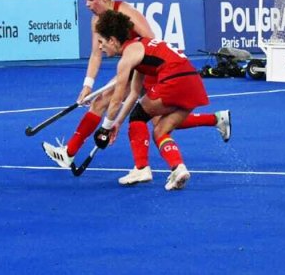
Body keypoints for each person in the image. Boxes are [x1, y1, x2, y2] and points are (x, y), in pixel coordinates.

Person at [41, 0, 230, 184]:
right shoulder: (97, 21)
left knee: (144, 117)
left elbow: (150, 41)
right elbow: (96, 54)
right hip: (154, 68)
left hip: (153, 68)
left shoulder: (126, 13)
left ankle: (140, 166)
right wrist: (88, 85)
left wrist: (108, 122)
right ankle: (207, 129)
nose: (87, 5)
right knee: (152, 120)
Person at [92, 10, 223, 191]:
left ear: (113, 40)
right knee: (160, 131)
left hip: (175, 79)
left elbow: (116, 100)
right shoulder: (140, 47)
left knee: (138, 115)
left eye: (102, 42)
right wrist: (117, 124)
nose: (100, 47)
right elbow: (133, 94)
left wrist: (105, 128)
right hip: (193, 82)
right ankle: (179, 168)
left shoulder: (127, 57)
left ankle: (141, 168)